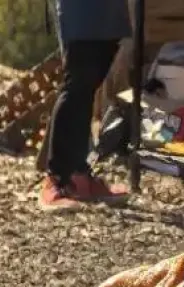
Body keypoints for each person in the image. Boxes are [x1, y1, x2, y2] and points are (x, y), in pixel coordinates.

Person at [40, 0, 132, 212]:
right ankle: (57, 178)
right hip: (80, 10)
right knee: (78, 82)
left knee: (90, 83)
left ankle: (78, 174)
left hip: (108, 10)